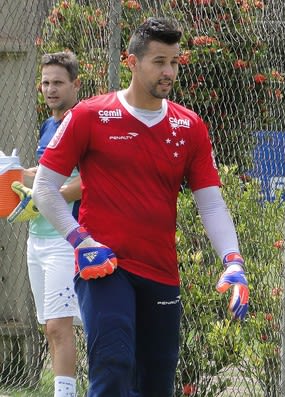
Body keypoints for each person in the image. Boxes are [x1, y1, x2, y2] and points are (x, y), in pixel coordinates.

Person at [32, 18, 249, 397]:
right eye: (159, 61)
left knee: (155, 385)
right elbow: (44, 189)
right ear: (132, 61)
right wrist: (82, 242)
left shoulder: (190, 126)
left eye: (175, 62)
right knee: (113, 370)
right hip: (104, 267)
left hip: (161, 272)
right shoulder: (89, 115)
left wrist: (233, 260)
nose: (169, 72)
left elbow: (210, 202)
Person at [8, 51, 82, 397]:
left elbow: (91, 181)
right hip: (35, 239)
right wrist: (14, 174)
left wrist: (50, 198)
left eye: (58, 83)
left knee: (59, 326)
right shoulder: (48, 126)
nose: (50, 89)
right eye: (46, 82)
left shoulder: (82, 123)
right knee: (49, 326)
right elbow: (45, 173)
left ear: (75, 85)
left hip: (67, 240)